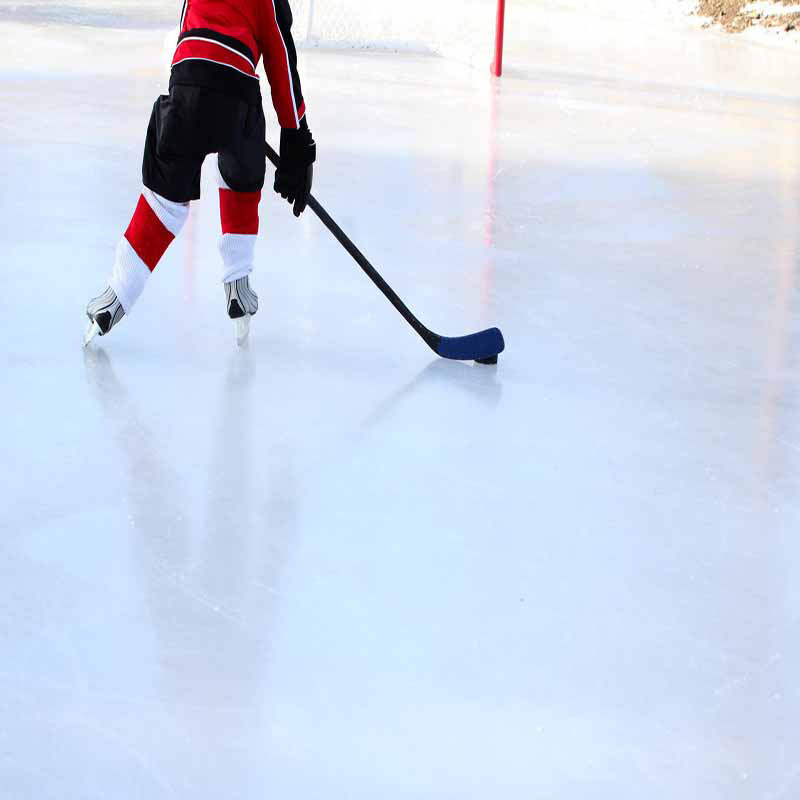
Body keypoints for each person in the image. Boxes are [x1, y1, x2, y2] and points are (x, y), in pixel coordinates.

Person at [85, 0, 316, 345]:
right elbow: (280, 56)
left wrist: (188, 96)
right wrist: (297, 137)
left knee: (164, 200)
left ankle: (117, 295)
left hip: (188, 81)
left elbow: (185, 35)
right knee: (241, 177)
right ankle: (238, 282)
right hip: (238, 88)